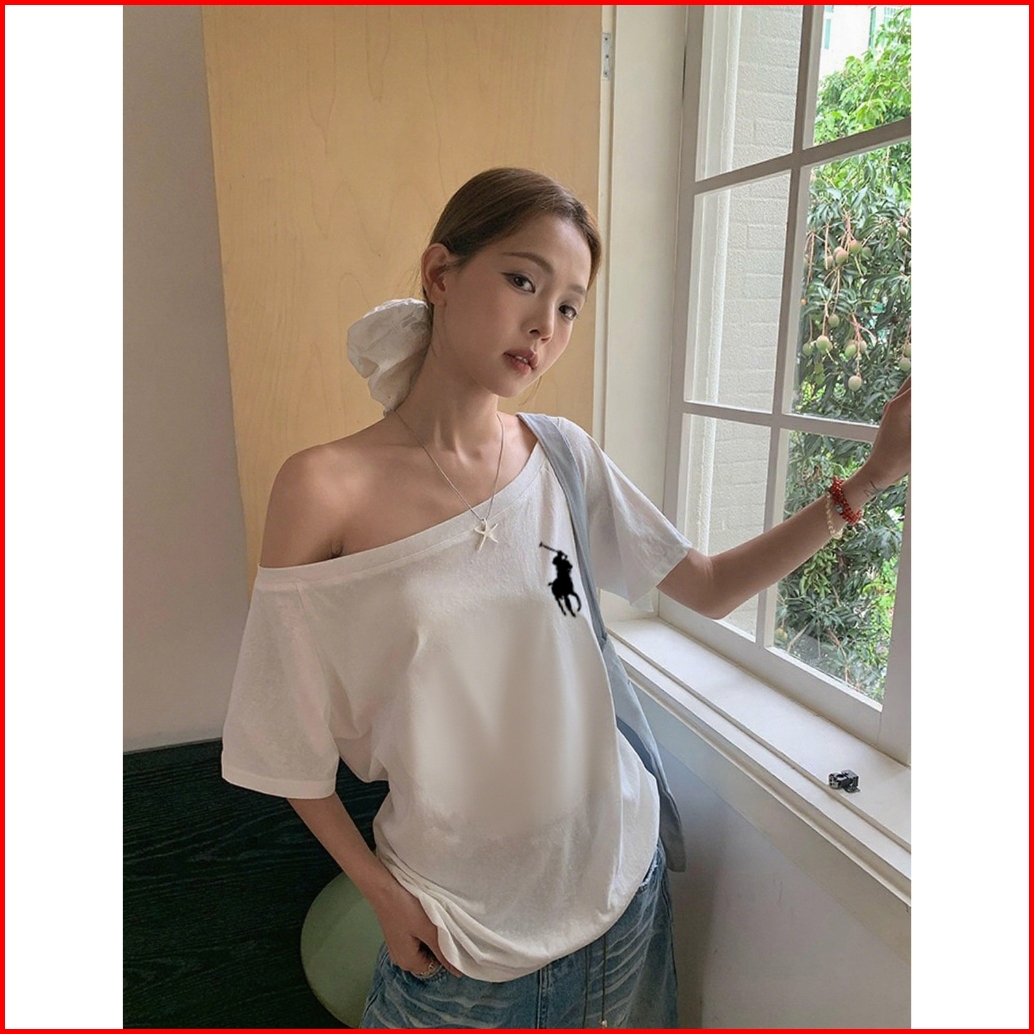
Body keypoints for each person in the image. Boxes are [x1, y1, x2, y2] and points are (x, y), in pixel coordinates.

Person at [220, 167, 910, 1028]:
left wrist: (871, 479)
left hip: (623, 898)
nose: (546, 324)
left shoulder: (562, 456)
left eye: (571, 306)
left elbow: (707, 588)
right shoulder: (324, 489)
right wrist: (383, 898)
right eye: (523, 280)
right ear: (439, 274)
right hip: (464, 943)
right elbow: (283, 742)